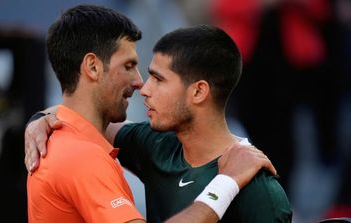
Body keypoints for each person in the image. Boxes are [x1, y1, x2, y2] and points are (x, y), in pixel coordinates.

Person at [26, 4, 279, 223]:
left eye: (158, 79)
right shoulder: (84, 155)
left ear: (199, 92)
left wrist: (40, 119)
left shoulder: (259, 189)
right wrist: (225, 184)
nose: (141, 85)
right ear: (92, 67)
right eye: (129, 66)